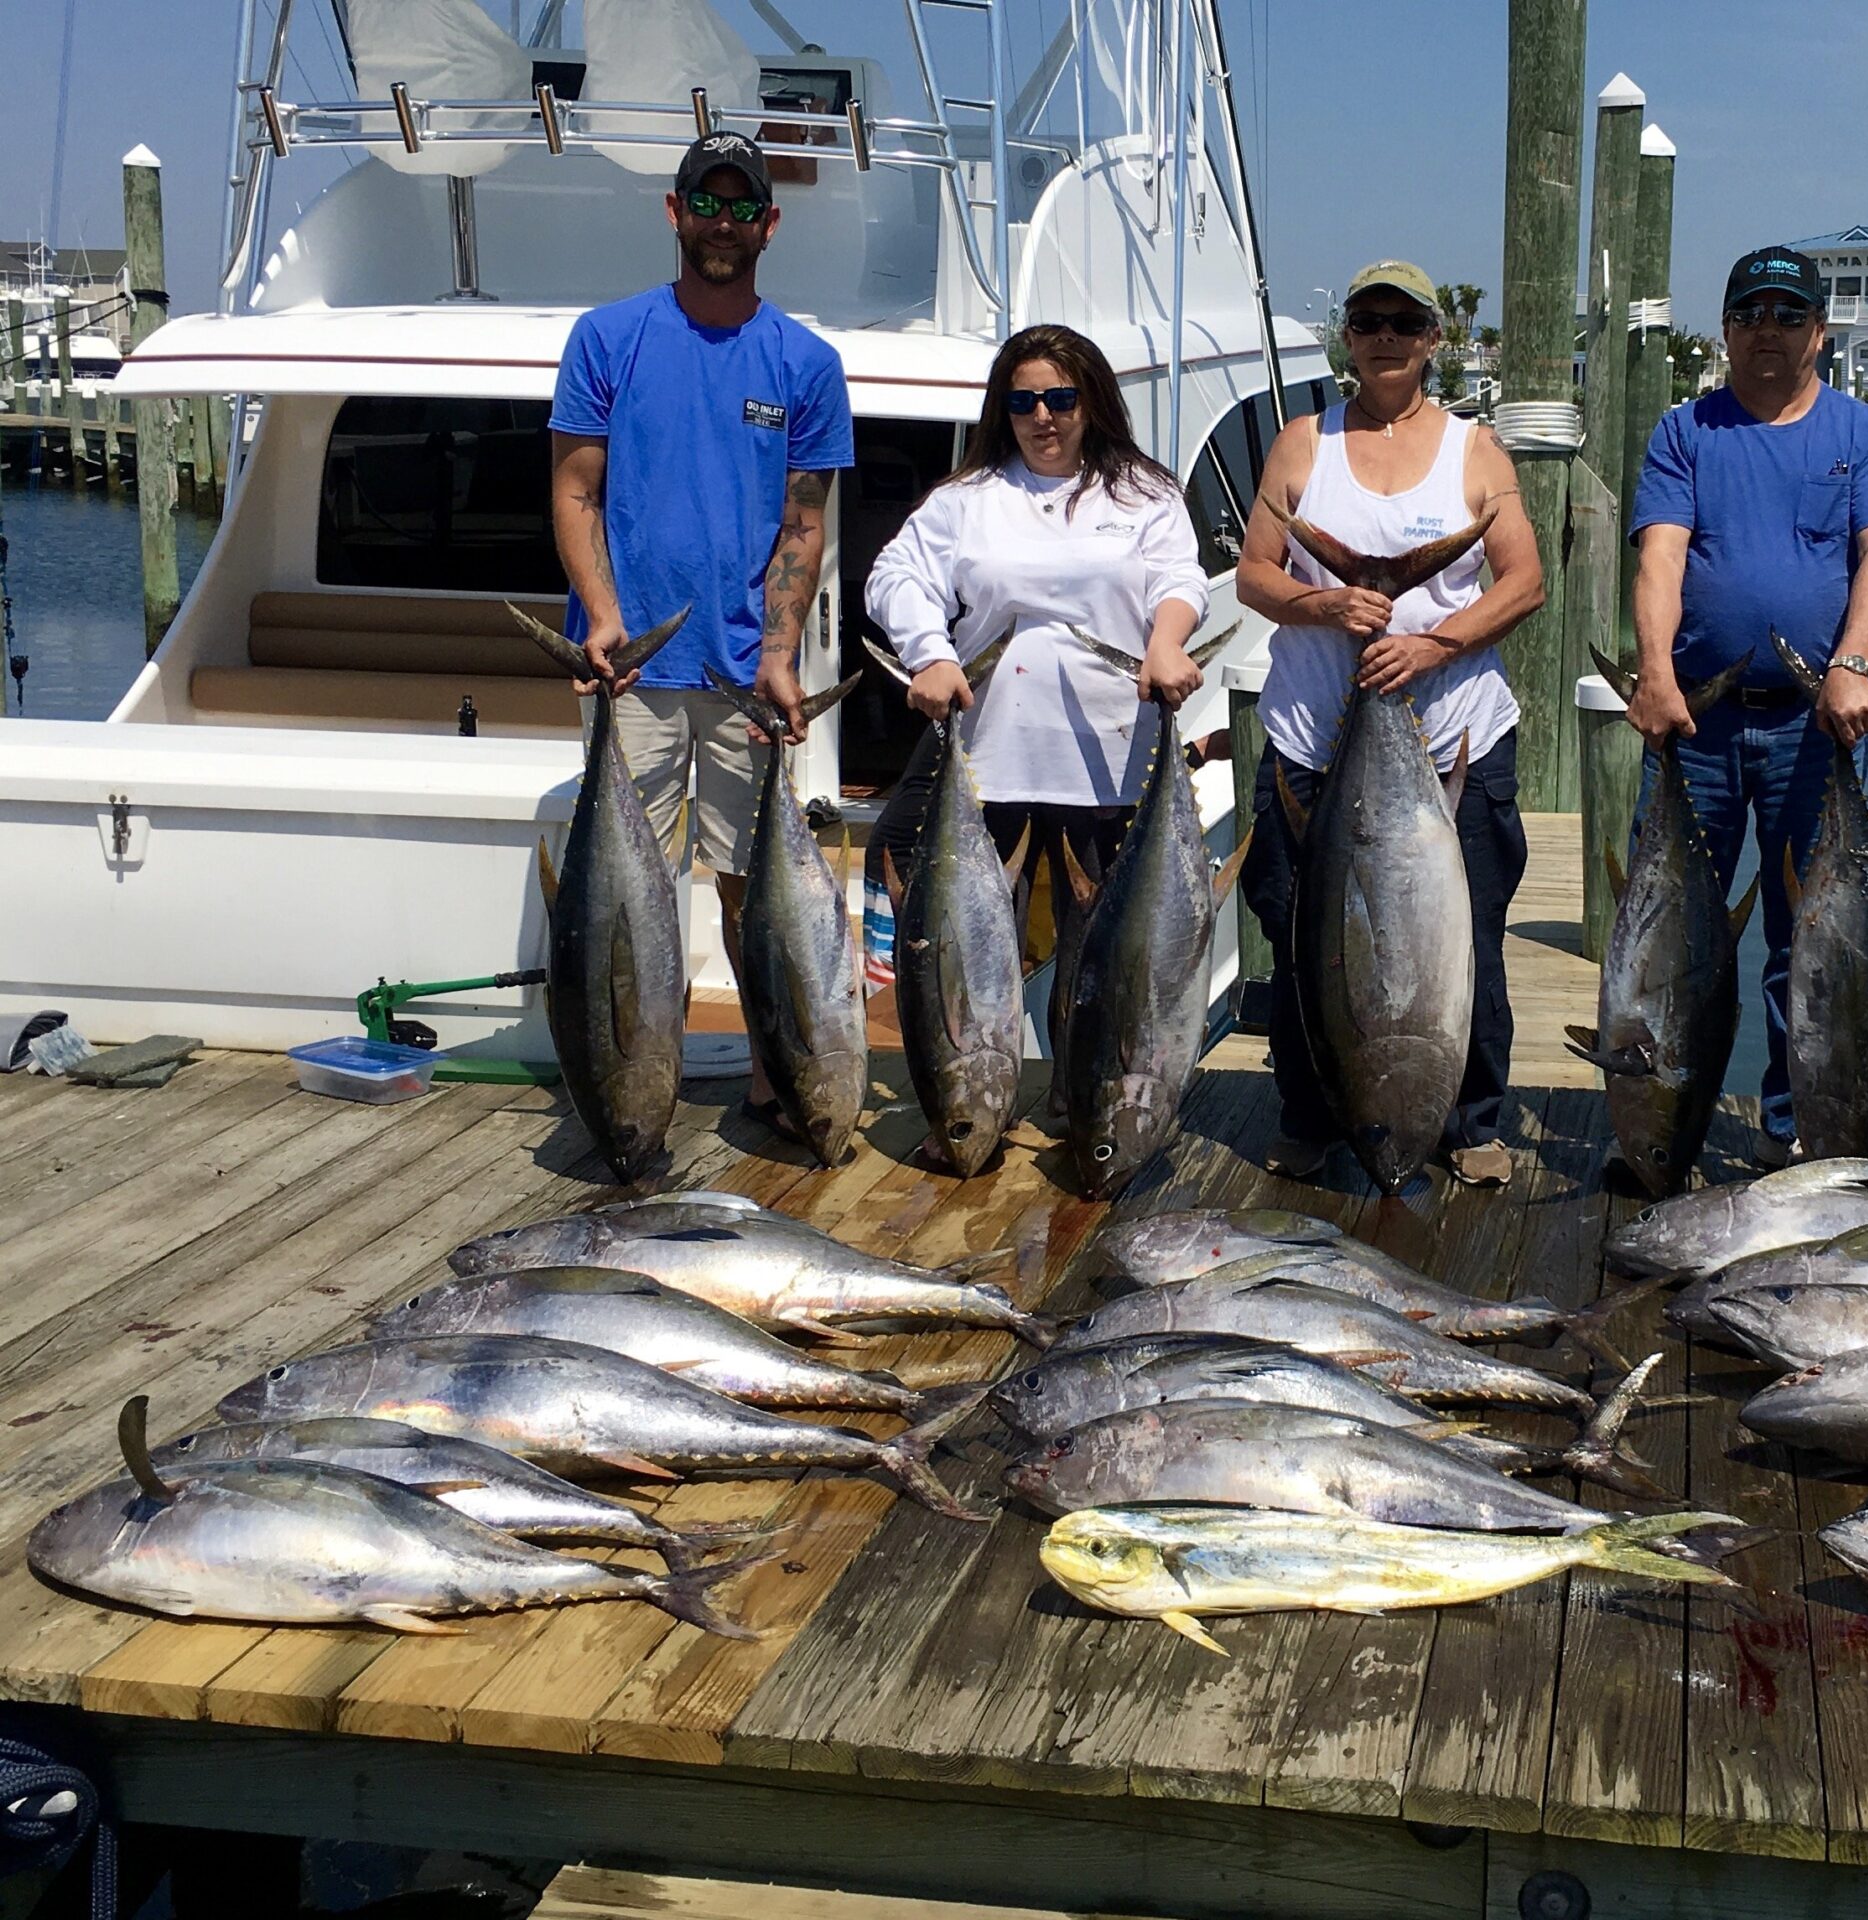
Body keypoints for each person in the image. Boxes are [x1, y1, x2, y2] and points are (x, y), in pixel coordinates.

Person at [549, 131, 856, 1136]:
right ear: (673, 213)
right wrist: (603, 620)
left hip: (738, 677)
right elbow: (575, 489)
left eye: (741, 208)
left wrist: (778, 652)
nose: (722, 224)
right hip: (629, 678)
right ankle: (638, 1080)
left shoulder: (805, 363)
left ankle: (779, 1082)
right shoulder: (607, 338)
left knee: (746, 891)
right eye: (705, 205)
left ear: (769, 223)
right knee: (631, 906)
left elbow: (803, 522)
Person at [1234, 260, 1544, 1188]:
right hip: (1309, 740)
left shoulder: (1476, 451)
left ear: (1432, 341)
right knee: (1301, 938)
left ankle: (1471, 1121)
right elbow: (1256, 576)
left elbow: (1525, 582)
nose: (1383, 337)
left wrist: (1434, 645)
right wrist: (1328, 608)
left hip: (1457, 738)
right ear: (1349, 337)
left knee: (1466, 937)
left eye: (1404, 324)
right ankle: (1311, 1112)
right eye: (1367, 320)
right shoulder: (1302, 444)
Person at [1625, 245, 1868, 1168]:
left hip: (1813, 725)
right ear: (1725, 330)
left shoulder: (1866, 435)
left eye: (1788, 314)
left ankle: (1802, 1130)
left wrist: (1854, 663)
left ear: (1819, 333)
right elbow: (1662, 556)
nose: (1768, 329)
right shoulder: (1685, 432)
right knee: (1672, 934)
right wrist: (1656, 670)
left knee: (1814, 942)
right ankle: (1662, 1123)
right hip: (1696, 725)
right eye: (1751, 312)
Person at [864, 322, 1209, 1097]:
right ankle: (981, 1100)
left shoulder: (1144, 492)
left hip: (1117, 760)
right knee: (977, 951)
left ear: (1091, 401)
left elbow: (1178, 578)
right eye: (1023, 401)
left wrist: (1168, 641)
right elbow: (895, 575)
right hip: (991, 765)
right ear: (1003, 408)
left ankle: (1087, 1104)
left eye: (1059, 397)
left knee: (1103, 955)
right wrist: (930, 651)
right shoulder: (967, 498)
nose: (1042, 416)